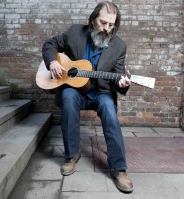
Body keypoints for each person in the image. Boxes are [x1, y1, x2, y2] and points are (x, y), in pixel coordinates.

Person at [42, 1, 133, 193]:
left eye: (111, 25)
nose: (107, 28)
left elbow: (118, 77)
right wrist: (52, 63)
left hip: (100, 93)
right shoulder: (75, 32)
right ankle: (71, 155)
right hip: (76, 91)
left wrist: (122, 83)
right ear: (92, 19)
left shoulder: (119, 46)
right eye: (103, 23)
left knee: (109, 108)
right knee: (67, 96)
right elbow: (50, 44)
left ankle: (119, 168)